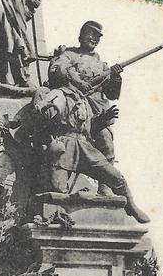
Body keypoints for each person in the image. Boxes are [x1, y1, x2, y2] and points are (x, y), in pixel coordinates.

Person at [31, 84, 150, 224]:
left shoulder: (84, 100)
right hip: (65, 147)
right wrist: (44, 108)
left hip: (85, 147)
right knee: (56, 190)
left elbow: (88, 130)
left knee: (116, 177)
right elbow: (47, 110)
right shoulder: (59, 94)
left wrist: (102, 119)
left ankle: (131, 206)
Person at [48, 21, 122, 195]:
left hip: (96, 112)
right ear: (81, 35)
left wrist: (116, 77)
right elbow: (57, 68)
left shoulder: (102, 64)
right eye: (90, 34)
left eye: (97, 37)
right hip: (74, 107)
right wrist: (77, 81)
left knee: (106, 140)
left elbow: (112, 94)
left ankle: (105, 187)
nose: (94, 39)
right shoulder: (70, 54)